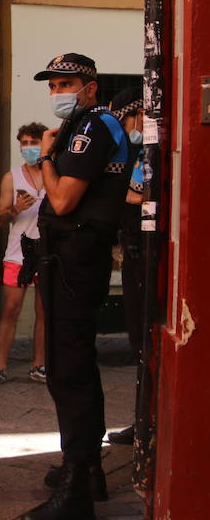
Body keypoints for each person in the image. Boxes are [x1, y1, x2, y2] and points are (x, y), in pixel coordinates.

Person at [21, 54, 133, 520]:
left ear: (90, 87)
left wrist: (46, 156)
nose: (57, 92)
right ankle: (85, 470)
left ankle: (77, 490)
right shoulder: (80, 126)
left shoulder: (93, 126)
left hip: (76, 260)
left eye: (66, 84)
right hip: (65, 259)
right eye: (52, 85)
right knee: (71, 366)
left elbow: (64, 199)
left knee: (69, 370)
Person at [0, 122, 49, 387]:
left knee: (44, 311)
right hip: (18, 254)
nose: (28, 148)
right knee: (10, 309)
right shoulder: (12, 177)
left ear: (44, 145)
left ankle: (39, 365)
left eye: (33, 143)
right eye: (24, 143)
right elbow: (0, 219)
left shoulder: (54, 174)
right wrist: (16, 208)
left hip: (47, 253)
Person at [106, 86, 146, 446]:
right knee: (139, 339)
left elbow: (134, 196)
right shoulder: (134, 151)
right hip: (134, 249)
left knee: (143, 338)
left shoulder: (145, 153)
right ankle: (143, 418)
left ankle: (146, 420)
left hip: (143, 252)